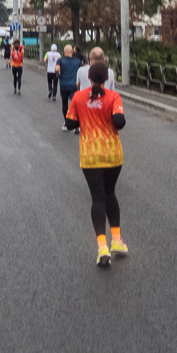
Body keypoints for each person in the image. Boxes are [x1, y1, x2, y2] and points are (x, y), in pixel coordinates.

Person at [66, 62, 128, 266]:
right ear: (107, 79)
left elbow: (70, 124)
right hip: (112, 154)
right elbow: (120, 122)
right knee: (110, 193)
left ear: (89, 78)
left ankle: (102, 246)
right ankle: (117, 240)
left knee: (97, 198)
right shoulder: (113, 97)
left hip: (90, 155)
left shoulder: (78, 97)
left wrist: (85, 116)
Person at [56, 45, 84, 131]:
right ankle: (77, 125)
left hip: (64, 84)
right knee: (75, 104)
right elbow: (81, 72)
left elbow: (57, 69)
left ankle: (66, 122)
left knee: (65, 104)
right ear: (72, 52)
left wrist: (59, 76)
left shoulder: (60, 60)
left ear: (64, 52)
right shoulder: (77, 61)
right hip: (74, 85)